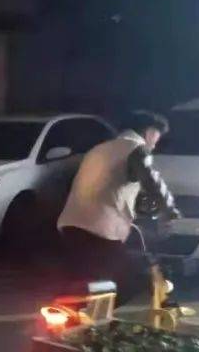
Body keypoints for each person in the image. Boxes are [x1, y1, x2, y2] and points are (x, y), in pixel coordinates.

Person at [57, 110, 180, 303]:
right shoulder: (136, 149)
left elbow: (111, 186)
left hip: (71, 225)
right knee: (129, 281)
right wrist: (170, 210)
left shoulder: (100, 149)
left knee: (92, 281)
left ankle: (79, 319)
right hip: (100, 230)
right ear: (148, 132)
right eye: (157, 135)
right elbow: (153, 182)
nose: (156, 142)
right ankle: (88, 322)